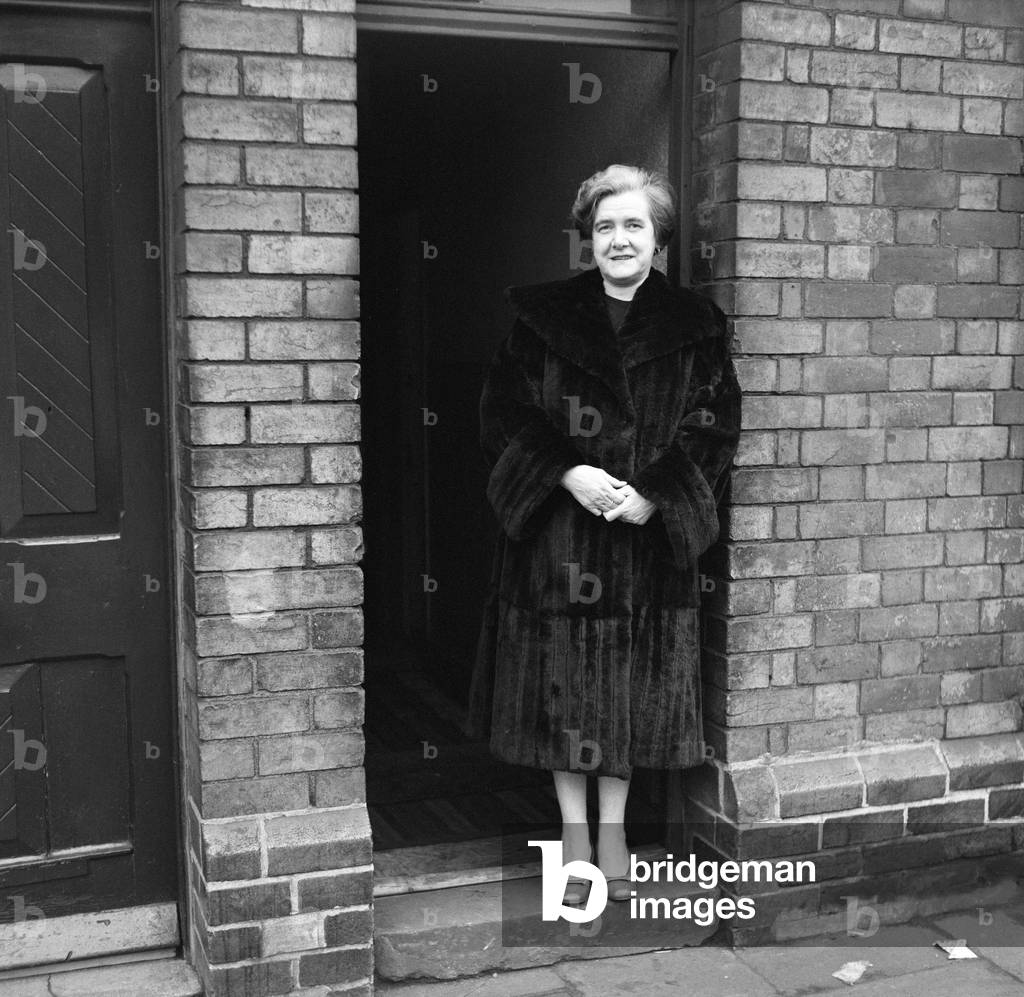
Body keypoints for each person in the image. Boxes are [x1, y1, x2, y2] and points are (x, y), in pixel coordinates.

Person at [468, 164, 741, 903]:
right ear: (587, 239)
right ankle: (572, 830)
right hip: (558, 540)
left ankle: (614, 827)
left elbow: (713, 429)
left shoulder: (697, 327)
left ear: (659, 241)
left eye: (634, 225)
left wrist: (656, 498)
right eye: (604, 226)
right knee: (561, 690)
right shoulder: (541, 319)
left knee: (624, 689)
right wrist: (565, 472)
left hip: (641, 547)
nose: (619, 239)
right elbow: (504, 414)